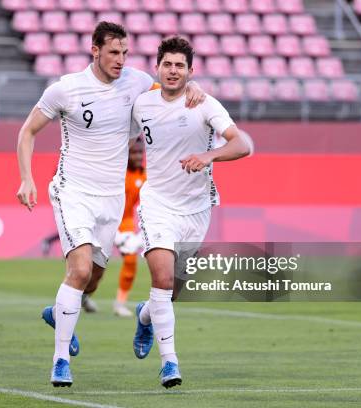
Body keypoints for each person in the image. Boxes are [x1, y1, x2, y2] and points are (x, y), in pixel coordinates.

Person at [16, 22, 205, 388]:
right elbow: (27, 131)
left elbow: (169, 90)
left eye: (125, 53)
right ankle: (59, 362)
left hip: (111, 198)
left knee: (94, 277)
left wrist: (192, 86)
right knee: (81, 270)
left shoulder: (134, 82)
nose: (120, 60)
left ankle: (60, 313)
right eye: (113, 52)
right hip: (73, 192)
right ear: (95, 50)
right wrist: (26, 178)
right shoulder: (66, 89)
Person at [130, 36, 253, 388]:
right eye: (167, 64)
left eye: (179, 66)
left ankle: (144, 316)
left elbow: (242, 143)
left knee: (173, 291)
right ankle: (170, 363)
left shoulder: (203, 103)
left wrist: (209, 156)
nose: (173, 70)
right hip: (156, 203)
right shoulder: (142, 104)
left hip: (197, 208)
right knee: (163, 280)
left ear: (190, 71)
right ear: (158, 68)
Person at [113, 137, 146, 317]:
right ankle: (83, 296)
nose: (138, 156)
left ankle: (120, 303)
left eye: (140, 152)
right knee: (94, 266)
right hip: (106, 220)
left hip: (125, 222)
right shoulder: (116, 172)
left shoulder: (143, 175)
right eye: (134, 152)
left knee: (131, 260)